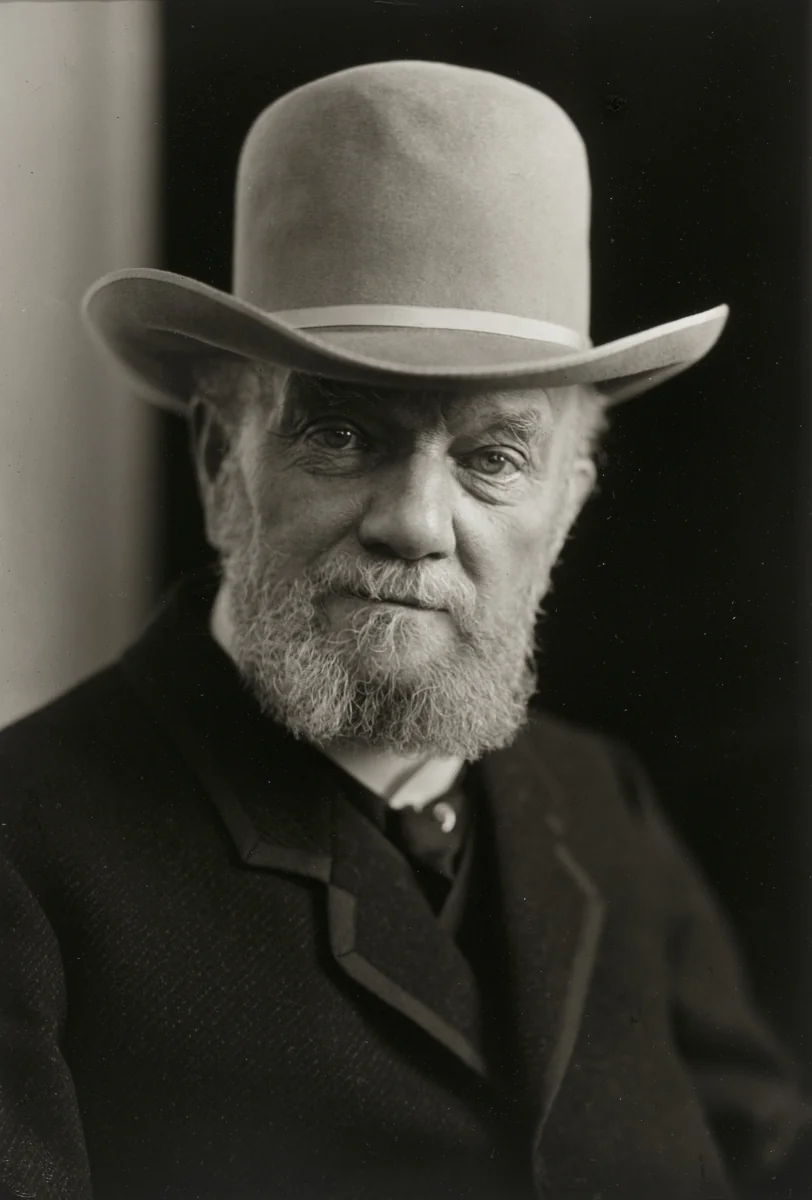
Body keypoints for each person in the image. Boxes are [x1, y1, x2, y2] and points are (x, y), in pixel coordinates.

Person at [0, 59, 809, 1200]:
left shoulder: (600, 804)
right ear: (222, 462)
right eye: (341, 437)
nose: (417, 525)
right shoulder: (25, 856)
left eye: (492, 457)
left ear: (567, 506)